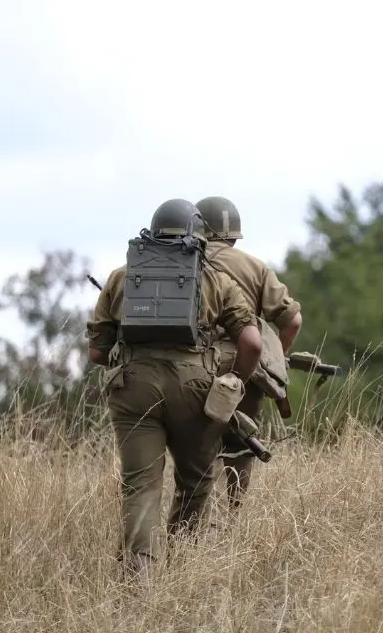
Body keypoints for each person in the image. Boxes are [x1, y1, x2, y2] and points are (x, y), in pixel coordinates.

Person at [86, 198, 264, 576]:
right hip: (195, 390)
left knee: (141, 485)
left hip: (134, 390)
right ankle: (183, 568)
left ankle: (139, 574)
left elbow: (97, 353)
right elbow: (252, 343)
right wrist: (235, 382)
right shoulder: (217, 278)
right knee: (197, 479)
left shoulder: (122, 276)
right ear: (198, 236)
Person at [195, 195, 303, 507]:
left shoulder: (188, 262)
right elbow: (292, 321)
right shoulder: (256, 268)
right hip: (244, 363)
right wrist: (271, 358)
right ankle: (232, 521)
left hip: (193, 366)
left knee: (199, 444)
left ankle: (197, 521)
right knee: (242, 445)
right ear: (233, 234)